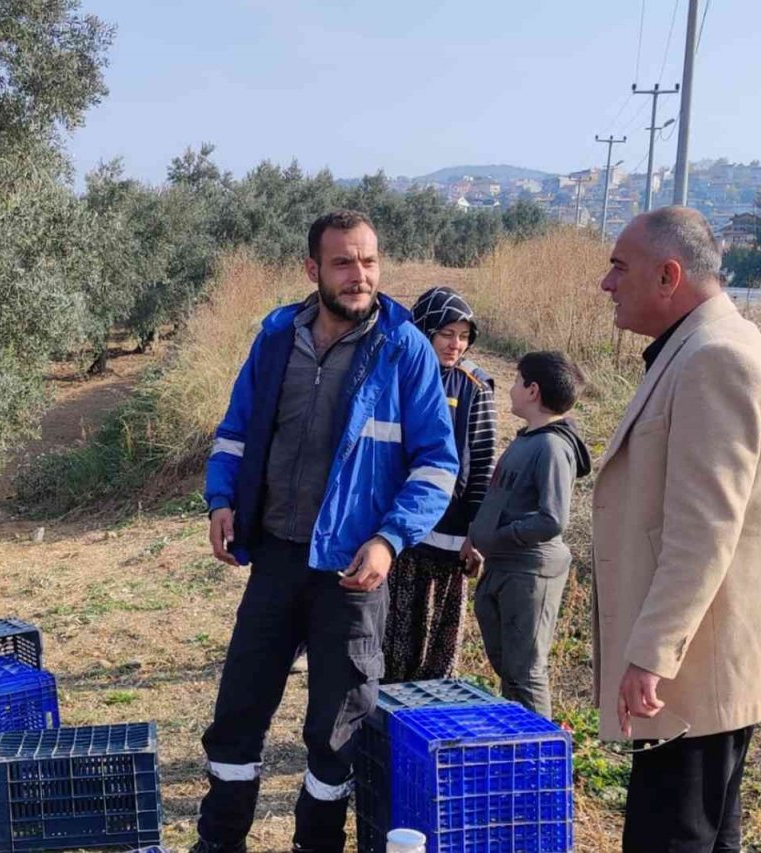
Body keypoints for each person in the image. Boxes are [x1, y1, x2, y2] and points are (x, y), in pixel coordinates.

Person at [194, 210, 458, 853]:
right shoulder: (277, 340)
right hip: (278, 557)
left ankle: (316, 847)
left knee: (334, 730)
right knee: (237, 713)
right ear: (313, 270)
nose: (358, 275)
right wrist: (221, 500)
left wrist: (390, 539)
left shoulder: (405, 352)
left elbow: (436, 463)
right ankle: (219, 841)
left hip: (352, 571)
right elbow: (235, 430)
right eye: (343, 262)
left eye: (368, 261)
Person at [595, 207, 761, 851]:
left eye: (619, 267)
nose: (606, 283)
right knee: (705, 830)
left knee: (671, 835)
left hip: (699, 656)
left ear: (669, 275)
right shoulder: (710, 345)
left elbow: (705, 529)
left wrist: (652, 653)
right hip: (708, 649)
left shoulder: (714, 359)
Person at [465, 351, 590, 718]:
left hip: (529, 572)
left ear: (533, 390)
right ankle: (518, 745)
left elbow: (552, 520)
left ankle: (541, 760)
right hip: (505, 568)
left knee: (526, 673)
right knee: (512, 670)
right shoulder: (528, 439)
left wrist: (499, 537)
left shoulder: (552, 447)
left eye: (518, 381)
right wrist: (477, 537)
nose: (512, 388)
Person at [382, 287, 497, 683]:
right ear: (424, 329)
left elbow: (481, 465)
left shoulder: (475, 387)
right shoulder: (397, 373)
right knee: (394, 632)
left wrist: (475, 534)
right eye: (447, 333)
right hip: (401, 528)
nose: (456, 345)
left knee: (439, 642)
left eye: (463, 336)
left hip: (449, 533)